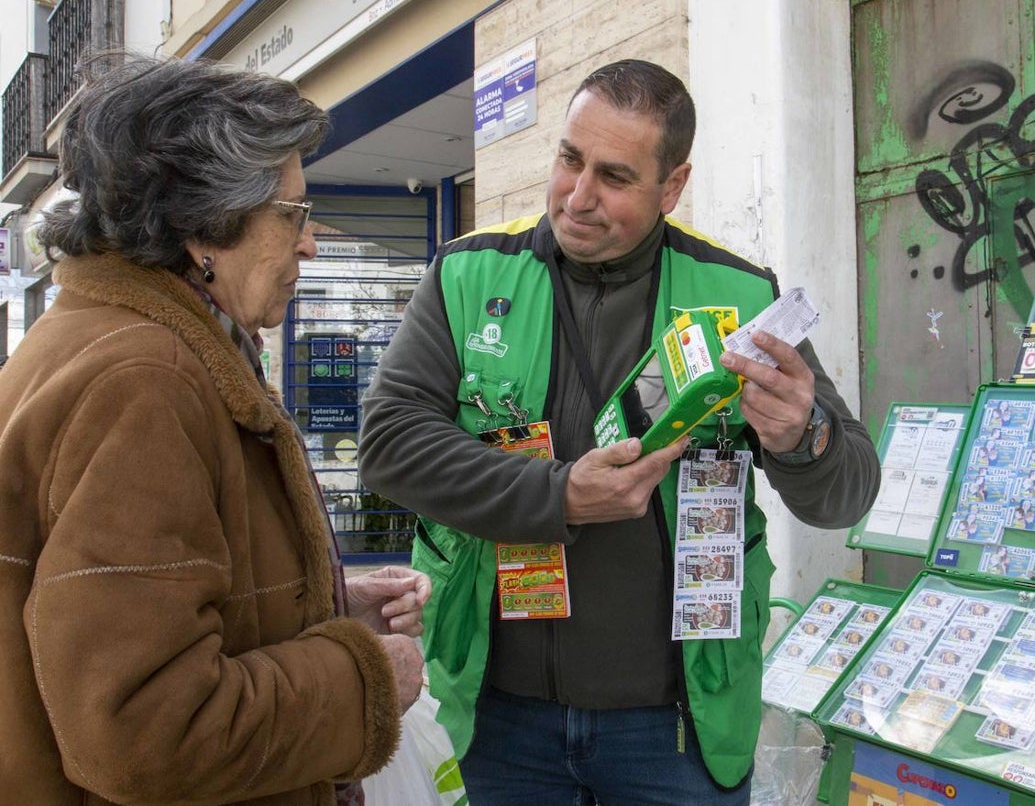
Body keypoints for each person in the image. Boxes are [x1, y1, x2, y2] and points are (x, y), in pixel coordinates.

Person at [358, 58, 881, 804]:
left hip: (673, 730)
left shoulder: (736, 294)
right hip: (495, 717)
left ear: (672, 186)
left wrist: (805, 435)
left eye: (614, 176)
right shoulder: (469, 274)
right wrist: (559, 494)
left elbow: (847, 492)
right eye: (569, 160)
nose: (578, 197)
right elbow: (389, 442)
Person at [0, 55, 429, 805]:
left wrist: (320, 600)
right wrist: (360, 680)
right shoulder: (146, 381)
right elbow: (145, 730)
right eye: (291, 214)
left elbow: (147, 609)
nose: (310, 244)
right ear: (204, 226)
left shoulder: (109, 340)